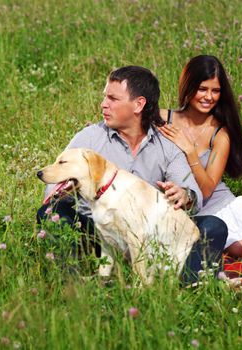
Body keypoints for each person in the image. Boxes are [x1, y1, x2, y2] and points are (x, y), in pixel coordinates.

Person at [36, 66, 227, 285]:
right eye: (105, 97)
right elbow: (55, 187)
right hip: (96, 230)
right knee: (51, 213)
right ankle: (73, 285)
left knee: (213, 225)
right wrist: (62, 193)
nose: (103, 104)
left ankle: (188, 284)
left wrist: (184, 195)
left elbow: (193, 195)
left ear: (139, 104)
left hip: (148, 236)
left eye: (113, 98)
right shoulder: (89, 138)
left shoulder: (166, 146)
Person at [158, 55, 242, 258]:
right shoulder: (162, 119)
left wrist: (190, 151)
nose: (209, 97)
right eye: (202, 89)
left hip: (215, 205)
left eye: (215, 91)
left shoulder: (220, 134)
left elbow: (205, 191)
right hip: (176, 205)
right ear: (188, 86)